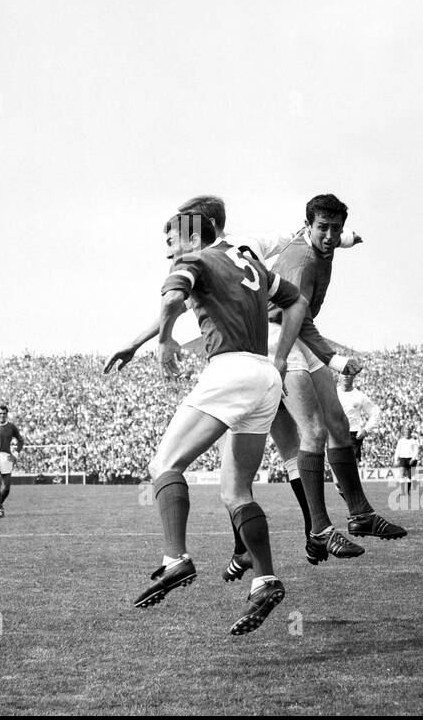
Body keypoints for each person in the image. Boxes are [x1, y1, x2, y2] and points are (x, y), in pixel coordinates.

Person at [123, 208, 310, 635]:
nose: (167, 249)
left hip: (229, 370)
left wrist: (166, 341)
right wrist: (280, 358)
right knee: (236, 491)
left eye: (171, 240)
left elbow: (172, 299)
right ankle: (265, 579)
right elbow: (296, 301)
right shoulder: (245, 261)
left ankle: (177, 560)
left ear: (190, 238)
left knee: (164, 465)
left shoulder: (192, 261)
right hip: (264, 376)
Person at [263, 193, 407, 566]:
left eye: (335, 229)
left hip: (299, 334)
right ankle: (320, 530)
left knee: (339, 424)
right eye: (322, 228)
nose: (329, 236)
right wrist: (335, 359)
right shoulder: (302, 260)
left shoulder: (324, 242)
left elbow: (335, 239)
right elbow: (296, 315)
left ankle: (359, 513)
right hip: (277, 335)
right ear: (307, 226)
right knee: (313, 431)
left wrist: (351, 239)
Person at [338, 371, 382, 465]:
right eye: (343, 373)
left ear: (354, 376)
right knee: (337, 469)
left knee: (351, 470)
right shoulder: (332, 393)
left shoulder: (360, 396)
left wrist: (366, 430)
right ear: (339, 375)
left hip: (353, 435)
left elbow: (375, 413)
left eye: (348, 373)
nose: (346, 375)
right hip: (335, 434)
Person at [393, 424, 419, 495]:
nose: (407, 433)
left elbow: (416, 451)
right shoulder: (400, 441)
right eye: (406, 432)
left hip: (411, 459)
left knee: (409, 476)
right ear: (404, 433)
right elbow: (397, 450)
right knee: (401, 474)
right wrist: (396, 460)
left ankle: (408, 491)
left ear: (410, 433)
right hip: (402, 458)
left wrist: (413, 459)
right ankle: (402, 491)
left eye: (408, 432)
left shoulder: (414, 441)